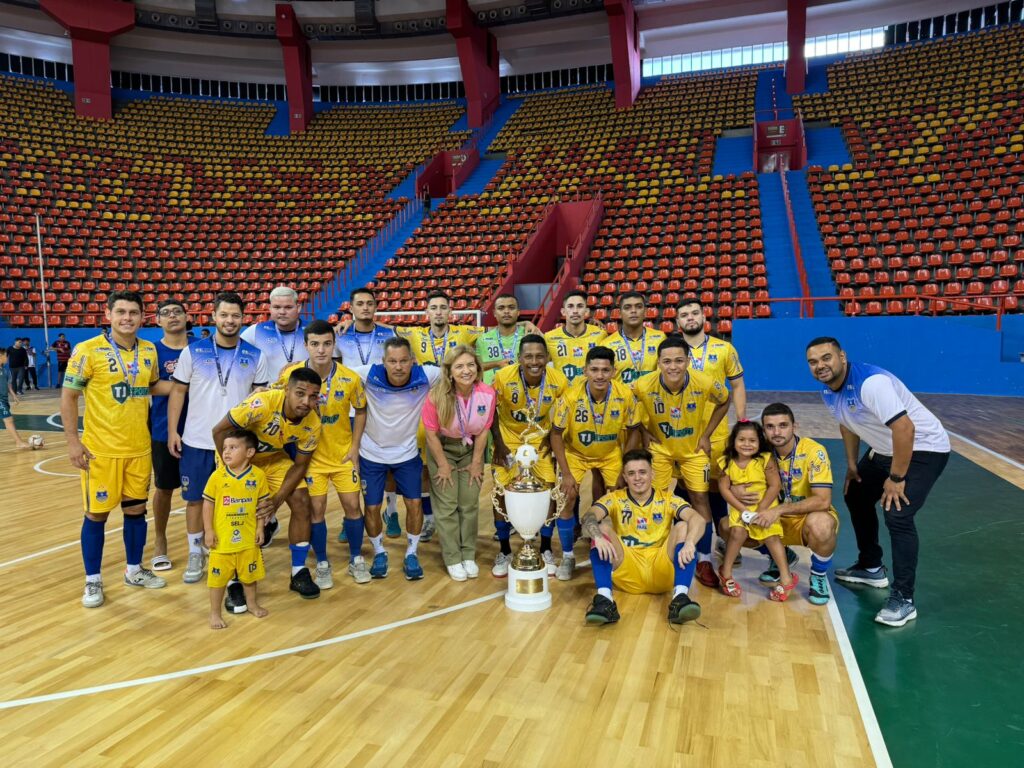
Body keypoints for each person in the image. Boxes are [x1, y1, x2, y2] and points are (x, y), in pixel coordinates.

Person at [807, 337, 950, 627]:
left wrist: (896, 478)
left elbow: (905, 428)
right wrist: (851, 463)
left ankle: (904, 598)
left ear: (842, 357)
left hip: (924, 448)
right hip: (885, 449)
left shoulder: (871, 384)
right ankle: (871, 566)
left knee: (897, 514)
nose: (820, 365)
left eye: (826, 358)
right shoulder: (829, 390)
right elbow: (847, 423)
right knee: (857, 493)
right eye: (813, 361)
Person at [62, 290, 173, 608]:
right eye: (121, 311)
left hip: (138, 450)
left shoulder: (149, 350)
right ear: (108, 314)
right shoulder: (88, 350)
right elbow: (69, 396)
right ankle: (93, 581)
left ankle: (134, 570)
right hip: (100, 452)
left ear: (142, 317)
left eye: (134, 312)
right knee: (96, 515)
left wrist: (191, 384)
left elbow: (152, 386)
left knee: (136, 512)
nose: (127, 318)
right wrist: (73, 441)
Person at [168, 292, 269, 589]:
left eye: (235, 316)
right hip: (198, 439)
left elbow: (259, 399)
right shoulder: (193, 351)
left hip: (237, 444)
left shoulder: (254, 355)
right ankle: (194, 552)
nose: (229, 321)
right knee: (196, 499)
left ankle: (241, 551)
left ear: (242, 318)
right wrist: (174, 430)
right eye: (224, 315)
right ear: (213, 317)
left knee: (240, 500)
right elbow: (177, 393)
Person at [212, 368, 323, 605]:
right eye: (300, 394)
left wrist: (277, 500)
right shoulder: (262, 403)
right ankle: (234, 581)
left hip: (273, 458)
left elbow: (300, 466)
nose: (306, 401)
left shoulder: (312, 423)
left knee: (303, 501)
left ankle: (298, 571)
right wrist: (232, 471)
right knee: (235, 514)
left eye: (313, 396)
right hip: (238, 456)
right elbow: (219, 430)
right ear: (287, 390)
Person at [633, 335, 731, 589]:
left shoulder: (705, 381)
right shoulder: (643, 385)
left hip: (693, 450)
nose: (673, 366)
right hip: (661, 450)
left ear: (688, 361)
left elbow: (725, 400)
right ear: (659, 363)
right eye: (667, 361)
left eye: (678, 360)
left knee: (700, 499)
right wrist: (644, 432)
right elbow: (629, 410)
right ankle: (657, 552)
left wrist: (707, 434)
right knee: (658, 499)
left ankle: (705, 559)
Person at [278, 320, 367, 587]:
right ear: (305, 345)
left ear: (333, 344)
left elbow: (361, 410)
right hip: (310, 459)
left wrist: (355, 447)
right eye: (314, 344)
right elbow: (277, 402)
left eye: (327, 344)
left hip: (342, 456)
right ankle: (324, 563)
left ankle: (356, 558)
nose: (321, 350)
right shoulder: (290, 375)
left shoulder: (350, 378)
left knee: (353, 507)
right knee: (316, 510)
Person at [352, 336, 442, 580]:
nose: (399, 366)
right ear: (384, 362)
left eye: (404, 361)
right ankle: (379, 552)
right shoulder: (367, 373)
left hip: (407, 454)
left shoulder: (427, 375)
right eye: (392, 361)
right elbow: (331, 372)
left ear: (413, 361)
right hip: (371, 455)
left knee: (414, 504)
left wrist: (492, 366)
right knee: (371, 507)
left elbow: (460, 369)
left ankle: (411, 553)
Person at [581, 449, 705, 626]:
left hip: (662, 569)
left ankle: (680, 598)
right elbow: (588, 516)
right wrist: (597, 536)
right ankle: (605, 600)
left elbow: (698, 519)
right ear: (624, 476)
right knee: (602, 528)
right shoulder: (615, 498)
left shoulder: (668, 499)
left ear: (652, 474)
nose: (637, 478)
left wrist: (690, 543)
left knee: (684, 526)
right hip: (627, 569)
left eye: (642, 472)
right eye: (631, 473)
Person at [549, 346, 640, 580]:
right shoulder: (570, 397)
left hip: (610, 453)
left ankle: (623, 550)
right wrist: (566, 473)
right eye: (594, 369)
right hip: (576, 453)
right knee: (567, 496)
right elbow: (556, 434)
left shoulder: (625, 395)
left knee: (620, 499)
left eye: (605, 370)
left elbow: (633, 431)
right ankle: (568, 556)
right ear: (585, 370)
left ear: (614, 372)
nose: (600, 375)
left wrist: (625, 467)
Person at [490, 334, 570, 577]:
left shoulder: (559, 380)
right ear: (519, 358)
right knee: (500, 491)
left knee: (549, 491)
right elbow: (491, 410)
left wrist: (553, 434)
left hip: (540, 440)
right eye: (528, 356)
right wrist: (499, 443)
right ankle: (504, 549)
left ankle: (545, 547)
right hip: (509, 440)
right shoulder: (503, 377)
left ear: (547, 358)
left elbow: (566, 409)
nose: (534, 361)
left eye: (539, 356)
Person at [421, 345, 496, 581]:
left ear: (478, 368)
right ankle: (453, 558)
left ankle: (468, 555)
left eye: (470, 365)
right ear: (450, 371)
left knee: (469, 503)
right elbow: (431, 435)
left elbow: (484, 430)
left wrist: (477, 463)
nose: (466, 371)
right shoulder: (436, 396)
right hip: (442, 448)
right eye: (460, 366)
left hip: (470, 449)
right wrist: (442, 465)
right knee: (447, 505)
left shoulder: (487, 393)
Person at [676, 299, 746, 546]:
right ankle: (693, 537)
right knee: (688, 484)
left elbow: (737, 385)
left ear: (704, 317)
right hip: (681, 432)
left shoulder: (724, 349)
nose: (690, 318)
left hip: (716, 431)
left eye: (695, 313)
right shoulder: (672, 352)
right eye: (684, 314)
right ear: (678, 322)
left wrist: (742, 419)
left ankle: (723, 535)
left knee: (717, 485)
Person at [333, 287, 401, 539]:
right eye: (359, 303)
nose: (365, 307)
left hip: (383, 409)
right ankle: (351, 516)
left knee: (389, 463)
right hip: (350, 409)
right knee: (353, 465)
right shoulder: (339, 335)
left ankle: (391, 511)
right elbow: (336, 370)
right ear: (350, 308)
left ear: (375, 307)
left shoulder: (389, 333)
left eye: (369, 303)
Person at [757, 402, 841, 605]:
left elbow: (823, 500)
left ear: (794, 427)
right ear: (764, 430)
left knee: (821, 525)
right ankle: (781, 556)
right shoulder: (759, 452)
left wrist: (779, 509)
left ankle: (818, 575)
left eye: (783, 425)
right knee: (728, 527)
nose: (777, 432)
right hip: (774, 521)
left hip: (805, 518)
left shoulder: (813, 451)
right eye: (770, 427)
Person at [717, 421, 797, 601]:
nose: (747, 444)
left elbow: (775, 485)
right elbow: (724, 489)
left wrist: (761, 510)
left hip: (765, 507)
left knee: (771, 536)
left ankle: (786, 578)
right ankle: (726, 573)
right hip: (741, 508)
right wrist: (742, 509)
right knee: (737, 531)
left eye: (752, 440)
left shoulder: (765, 460)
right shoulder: (726, 462)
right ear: (733, 441)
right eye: (742, 440)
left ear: (759, 442)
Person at [203, 429, 270, 629]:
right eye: (225, 448)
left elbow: (262, 506)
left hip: (248, 539)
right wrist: (209, 530)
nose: (226, 452)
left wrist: (260, 528)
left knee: (250, 576)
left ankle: (251, 603)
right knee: (217, 580)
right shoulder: (217, 477)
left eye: (233, 448)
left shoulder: (258, 476)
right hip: (222, 541)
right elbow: (207, 505)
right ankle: (214, 613)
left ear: (249, 453)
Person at [149, 298, 190, 571]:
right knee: (164, 488)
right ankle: (160, 540)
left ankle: (201, 542)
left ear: (187, 317)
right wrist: (184, 385)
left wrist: (178, 385)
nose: (172, 316)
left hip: (201, 430)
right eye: (166, 313)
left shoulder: (201, 348)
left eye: (178, 312)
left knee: (202, 492)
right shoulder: (151, 352)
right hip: (165, 430)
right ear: (158, 320)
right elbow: (148, 386)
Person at [241, 285, 308, 381]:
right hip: (270, 394)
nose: (282, 312)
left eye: (288, 307)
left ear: (298, 307)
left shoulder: (313, 330)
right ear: (270, 308)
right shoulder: (256, 331)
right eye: (276, 307)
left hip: (305, 393)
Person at [601, 292, 667, 385]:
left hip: (652, 397)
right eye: (627, 307)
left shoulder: (660, 338)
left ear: (645, 312)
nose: (633, 311)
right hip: (622, 398)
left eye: (639, 307)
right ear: (619, 313)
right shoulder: (607, 344)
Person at [475, 293, 540, 385]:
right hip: (493, 393)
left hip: (523, 393)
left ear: (518, 312)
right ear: (494, 313)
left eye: (511, 307)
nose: (506, 311)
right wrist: (497, 364)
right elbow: (476, 367)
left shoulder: (529, 335)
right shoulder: (483, 339)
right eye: (501, 308)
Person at [545, 289, 607, 384]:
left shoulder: (600, 334)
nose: (575, 311)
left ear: (586, 311)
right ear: (563, 311)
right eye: (570, 306)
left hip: (590, 394)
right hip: (563, 395)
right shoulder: (549, 337)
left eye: (580, 306)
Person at [1, 347, 36, 450]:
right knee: (9, 420)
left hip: (4, 399)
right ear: (0, 356)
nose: (7, 358)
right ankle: (19, 442)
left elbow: (8, 385)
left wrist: (14, 395)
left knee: (8, 420)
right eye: (6, 356)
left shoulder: (5, 370)